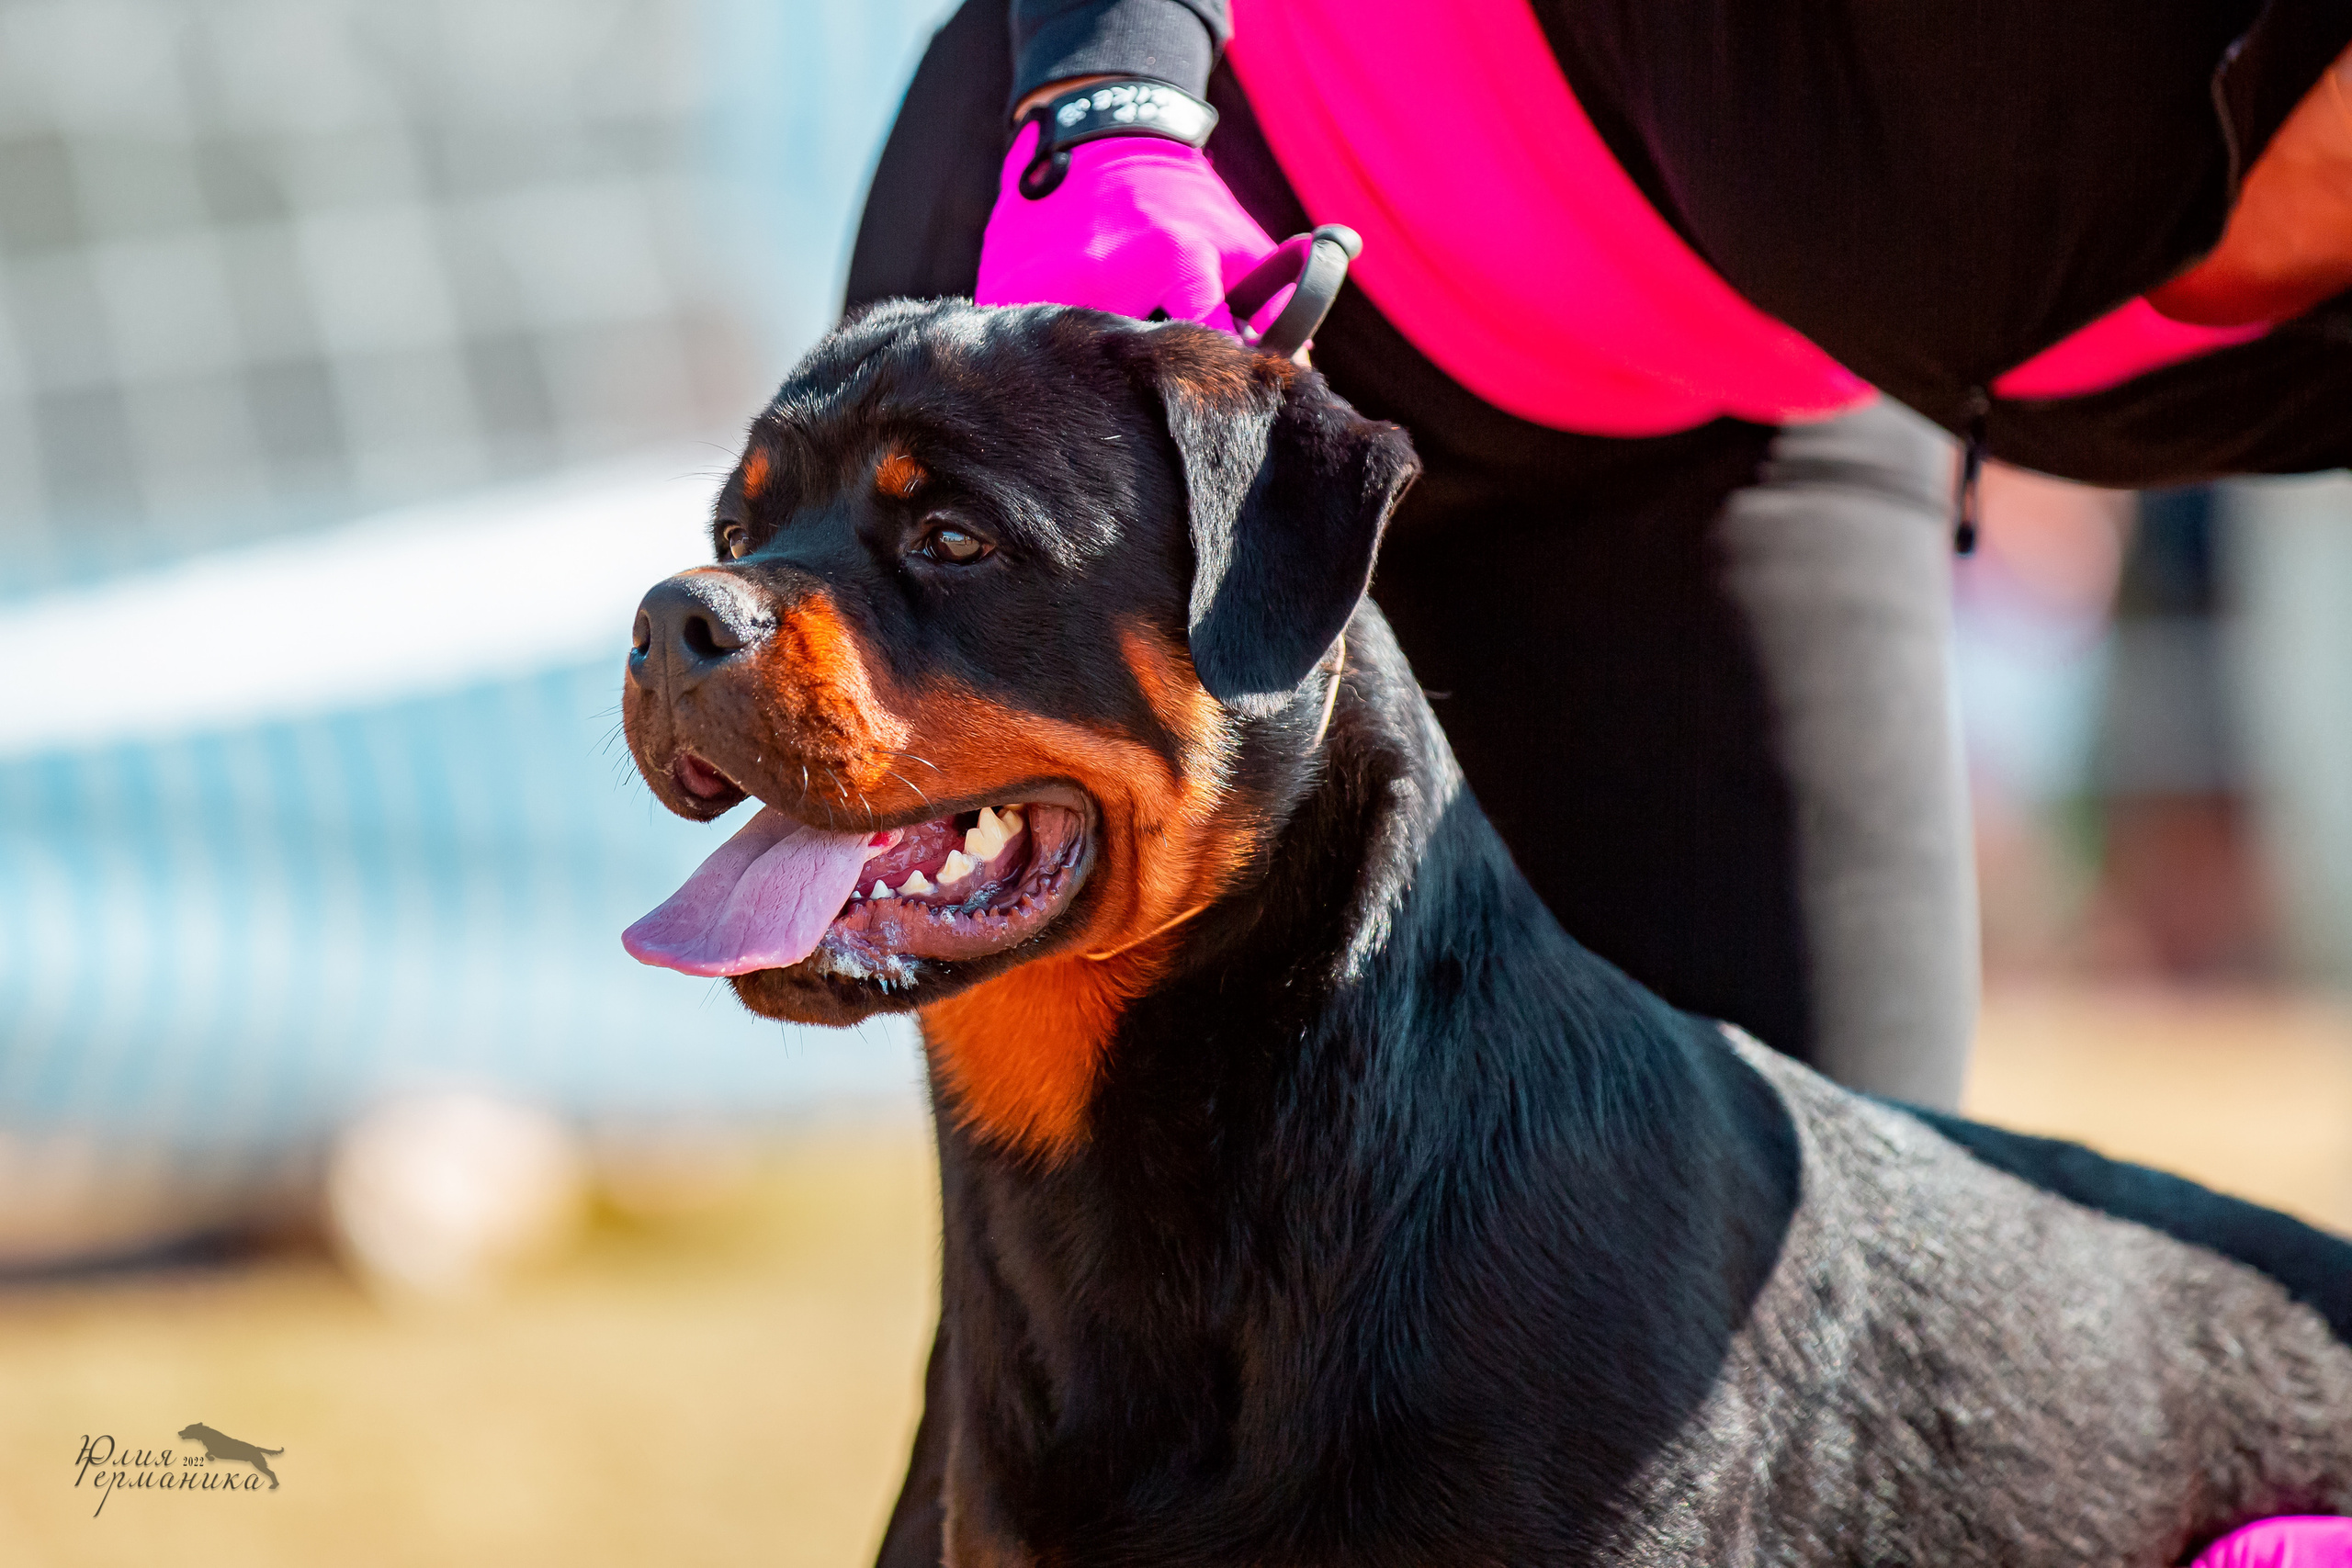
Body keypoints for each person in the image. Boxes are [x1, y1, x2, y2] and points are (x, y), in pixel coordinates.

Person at [844, 0, 2352, 1111]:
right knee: (1130, 1394)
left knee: (1820, 1299)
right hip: (1200, 272)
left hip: (1718, 426)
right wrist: (1116, 96)